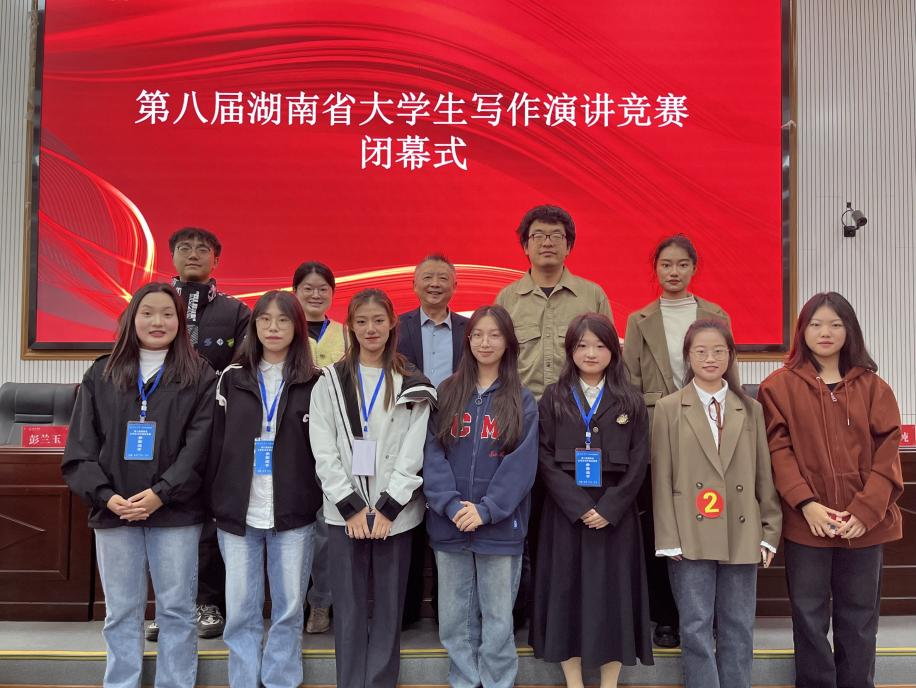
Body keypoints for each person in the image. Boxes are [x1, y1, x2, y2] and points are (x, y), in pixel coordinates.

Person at [62, 282, 216, 688]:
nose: (157, 321)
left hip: (176, 513)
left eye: (167, 313)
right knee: (121, 613)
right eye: (147, 313)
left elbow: (200, 447)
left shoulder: (199, 374)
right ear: (132, 318)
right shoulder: (102, 373)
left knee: (177, 611)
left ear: (180, 322)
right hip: (114, 513)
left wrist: (162, 493)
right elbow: (80, 447)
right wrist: (107, 497)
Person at [757, 292, 904, 688]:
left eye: (836, 324)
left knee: (860, 618)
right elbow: (777, 451)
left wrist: (865, 512)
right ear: (802, 331)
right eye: (816, 324)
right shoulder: (777, 387)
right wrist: (807, 504)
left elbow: (888, 451)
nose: (826, 332)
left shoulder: (874, 387)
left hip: (865, 525)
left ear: (849, 331)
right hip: (809, 523)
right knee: (808, 617)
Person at [309, 288, 436, 688]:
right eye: (361, 321)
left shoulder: (411, 382)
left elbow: (414, 451)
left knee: (387, 610)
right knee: (347, 609)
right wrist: (349, 507)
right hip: (343, 514)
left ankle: (380, 682)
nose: (370, 329)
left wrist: (387, 507)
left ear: (392, 324)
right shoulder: (330, 381)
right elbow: (323, 447)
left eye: (378, 320)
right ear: (349, 326)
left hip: (394, 515)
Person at [622, 234, 739, 649]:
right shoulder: (639, 319)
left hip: (710, 429)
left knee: (710, 515)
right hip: (658, 428)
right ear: (655, 269)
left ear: (694, 268)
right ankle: (667, 618)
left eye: (682, 264)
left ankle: (712, 615)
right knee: (662, 522)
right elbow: (630, 384)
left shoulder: (715, 314)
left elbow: (729, 374)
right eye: (666, 264)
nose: (674, 272)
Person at [652, 319, 782, 688]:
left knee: (738, 625)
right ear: (687, 357)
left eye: (718, 351)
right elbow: (661, 479)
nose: (710, 358)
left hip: (742, 531)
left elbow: (763, 476)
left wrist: (769, 531)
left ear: (731, 355)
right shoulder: (669, 408)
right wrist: (668, 538)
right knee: (695, 626)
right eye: (701, 351)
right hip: (689, 533)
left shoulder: (750, 408)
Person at [530, 312, 653, 688]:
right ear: (570, 350)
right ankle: (574, 682)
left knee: (613, 598)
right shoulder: (553, 397)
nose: (591, 353)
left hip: (615, 516)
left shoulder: (630, 400)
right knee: (566, 594)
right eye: (582, 345)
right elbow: (544, 458)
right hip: (566, 513)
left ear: (614, 350)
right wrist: (579, 506)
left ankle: (609, 683)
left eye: (600, 345)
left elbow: (639, 461)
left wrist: (610, 508)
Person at [207, 290, 322, 687]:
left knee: (289, 609)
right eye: (265, 320)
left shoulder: (315, 381)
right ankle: (243, 680)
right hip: (238, 512)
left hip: (293, 512)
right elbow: (214, 445)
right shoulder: (231, 378)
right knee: (241, 609)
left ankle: (280, 680)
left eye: (283, 320)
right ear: (254, 326)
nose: (273, 328)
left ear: (298, 327)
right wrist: (217, 500)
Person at [145, 227, 251, 642]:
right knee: (163, 517)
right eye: (184, 248)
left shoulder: (236, 311)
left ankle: (207, 603)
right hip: (158, 429)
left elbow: (243, 370)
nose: (193, 254)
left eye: (202, 249)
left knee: (209, 519)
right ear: (171, 256)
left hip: (215, 431)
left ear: (215, 260)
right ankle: (169, 606)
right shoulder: (152, 305)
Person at [424, 305, 539, 688]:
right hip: (450, 523)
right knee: (454, 620)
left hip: (500, 528)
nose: (485, 343)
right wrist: (451, 504)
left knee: (498, 620)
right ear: (468, 340)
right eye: (477, 335)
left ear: (508, 342)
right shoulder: (447, 392)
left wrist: (488, 510)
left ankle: (497, 682)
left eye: (494, 335)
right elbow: (432, 453)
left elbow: (521, 465)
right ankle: (463, 680)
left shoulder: (521, 399)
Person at [397, 253, 470, 627]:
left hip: (456, 435)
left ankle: (448, 612)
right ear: (414, 284)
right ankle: (408, 610)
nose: (435, 283)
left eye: (443, 277)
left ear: (455, 285)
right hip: (407, 432)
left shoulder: (471, 330)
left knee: (449, 514)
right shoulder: (397, 327)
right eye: (427, 277)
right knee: (407, 518)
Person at [495, 205, 612, 401]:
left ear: (568, 247)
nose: (547, 243)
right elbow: (494, 359)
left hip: (579, 408)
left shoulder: (593, 296)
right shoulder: (506, 299)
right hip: (522, 407)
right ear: (525, 246)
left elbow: (610, 357)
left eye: (556, 236)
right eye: (538, 236)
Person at [292, 261, 347, 634]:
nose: (315, 294)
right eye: (307, 288)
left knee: (327, 528)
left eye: (322, 288)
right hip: (291, 443)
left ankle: (322, 601)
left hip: (336, 443)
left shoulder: (346, 334)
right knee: (294, 529)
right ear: (295, 291)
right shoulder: (283, 331)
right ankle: (291, 605)